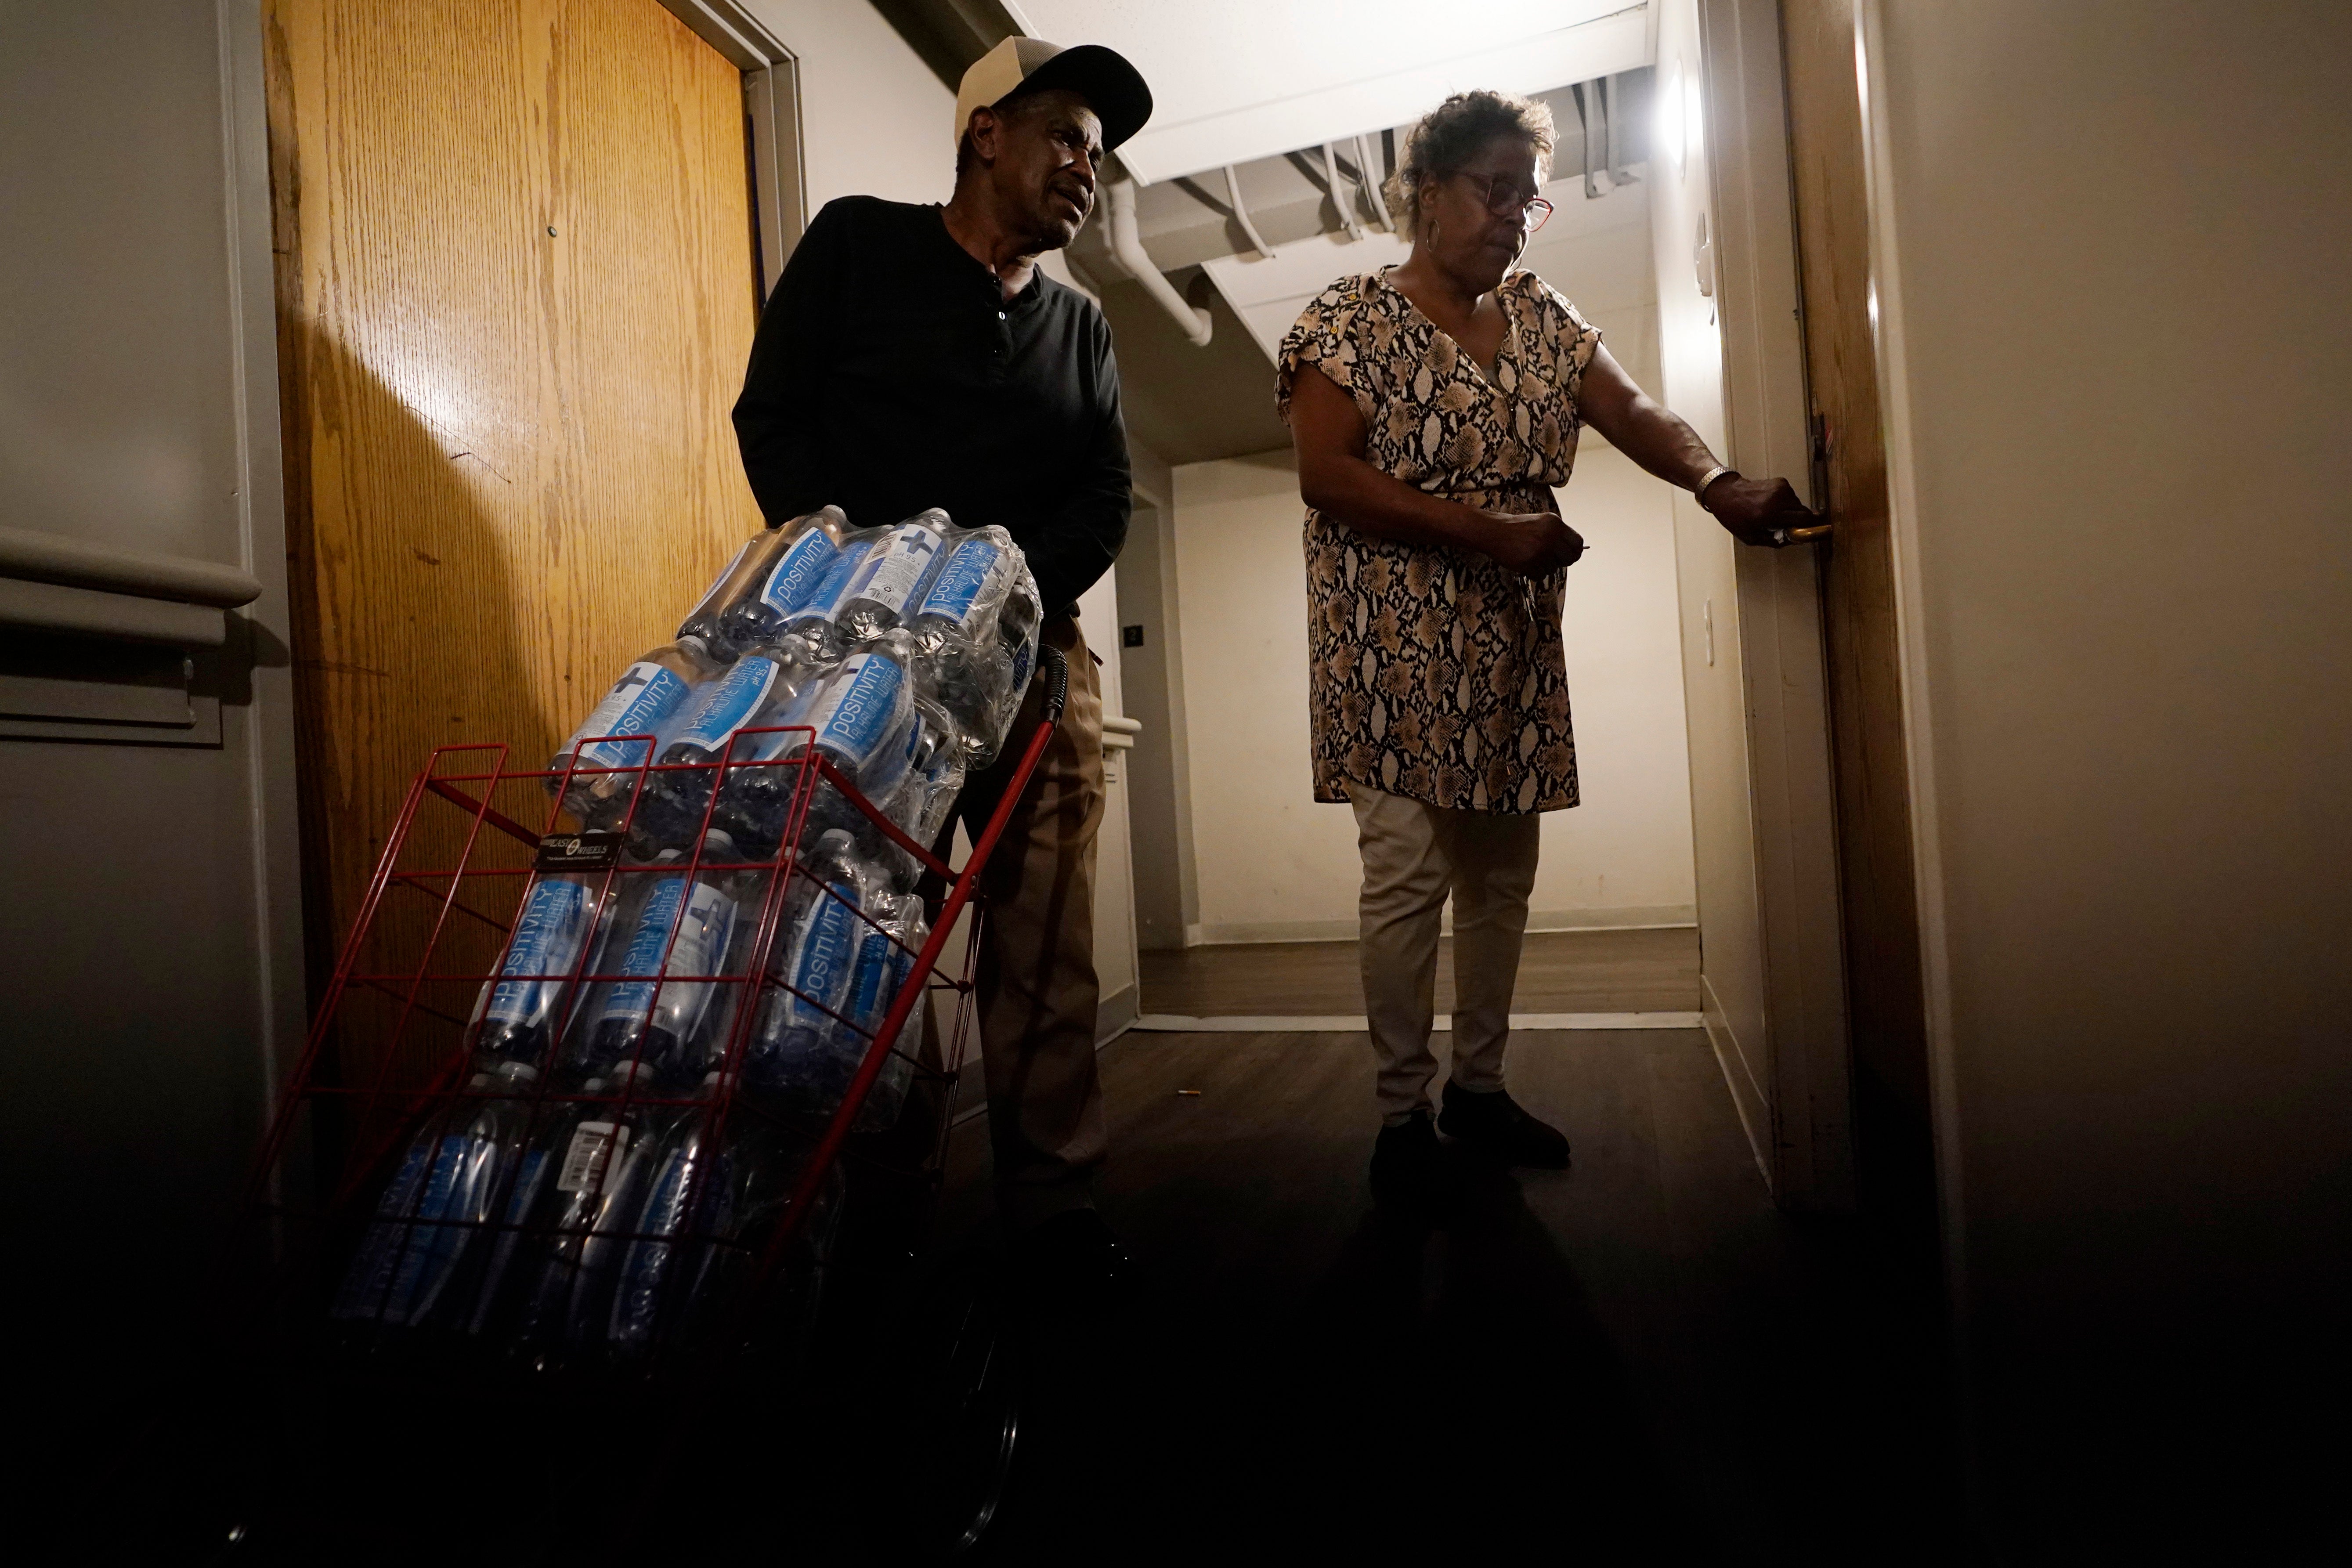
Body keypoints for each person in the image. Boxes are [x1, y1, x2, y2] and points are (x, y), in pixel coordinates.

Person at [1279, 90, 1820, 1208]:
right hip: (1387, 642)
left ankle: (1478, 1088)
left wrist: (1715, 482)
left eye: (1530, 198)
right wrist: (1487, 531)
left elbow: (1631, 414)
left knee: (1499, 881)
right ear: (1426, 192)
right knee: (1406, 878)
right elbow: (1328, 477)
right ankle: (1400, 1115)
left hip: (1512, 640)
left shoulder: (1543, 318)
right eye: (1493, 189)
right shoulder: (1345, 320)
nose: (1514, 216)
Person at [732, 36, 1153, 1281]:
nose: (1088, 165)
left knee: (1043, 942)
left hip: (1032, 667)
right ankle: (863, 1198)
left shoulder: (1079, 325)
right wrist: (863, 583)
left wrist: (1011, 593)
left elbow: (1105, 486)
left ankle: (1056, 1203)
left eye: (1100, 150)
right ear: (986, 134)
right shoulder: (858, 243)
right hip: (860, 670)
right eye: (1068, 134)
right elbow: (775, 416)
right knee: (859, 926)